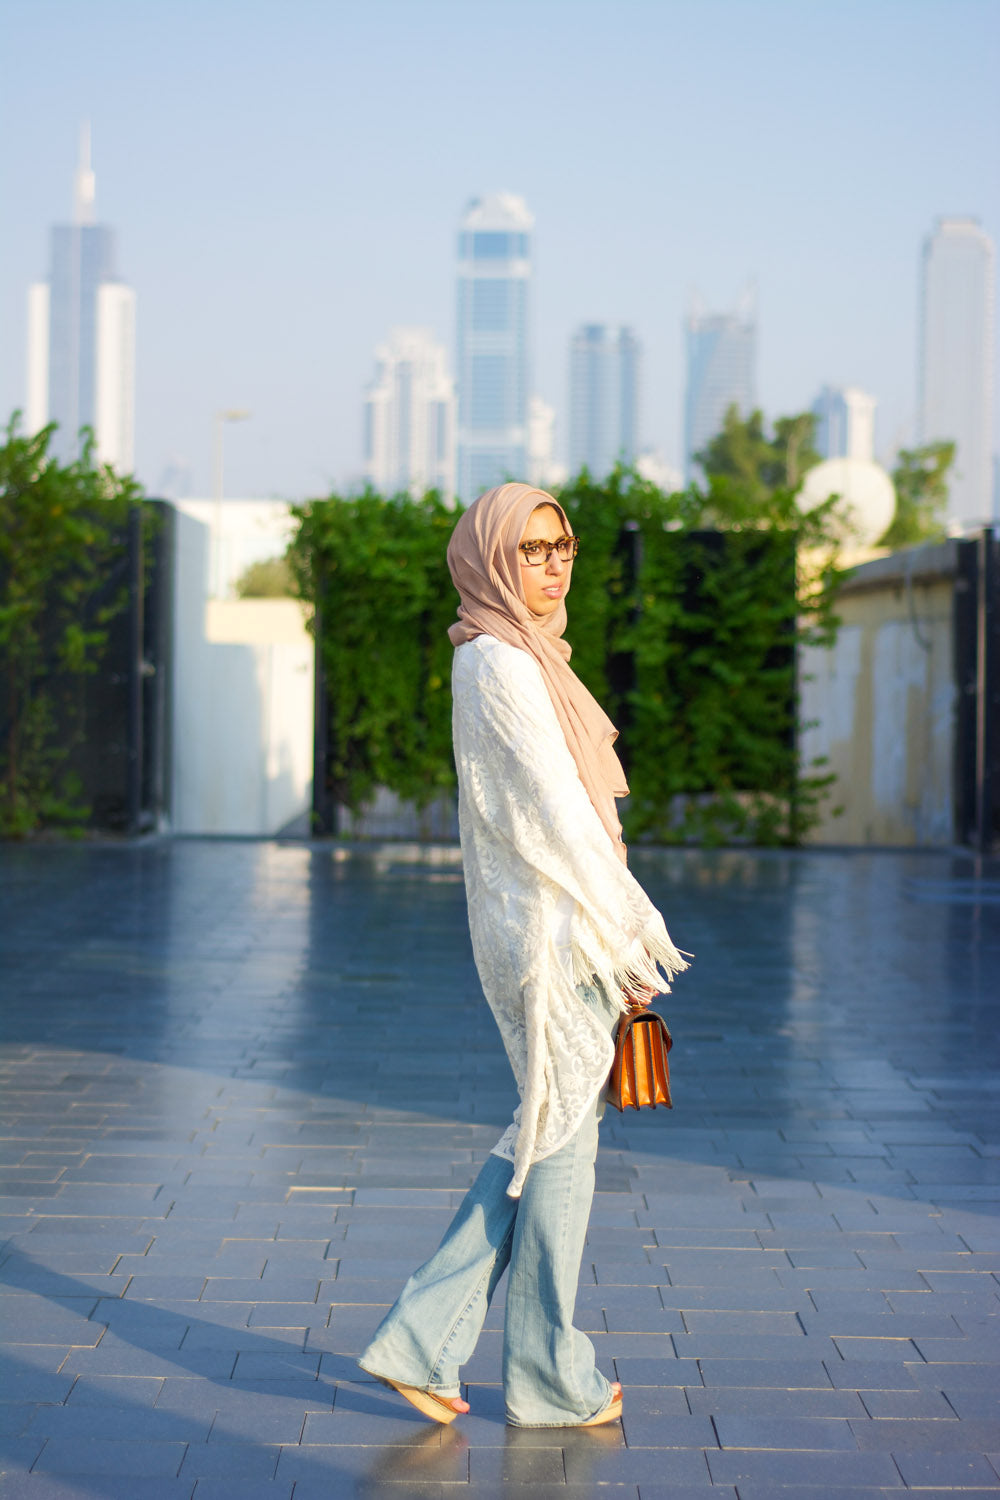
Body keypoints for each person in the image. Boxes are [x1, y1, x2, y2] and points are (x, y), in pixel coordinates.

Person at [357, 482, 688, 1428]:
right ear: (491, 559)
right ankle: (543, 1372)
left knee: (549, 1133)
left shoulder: (525, 655)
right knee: (560, 1148)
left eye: (562, 546)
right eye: (531, 549)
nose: (552, 565)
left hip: (555, 926)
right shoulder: (500, 663)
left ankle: (425, 1341)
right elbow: (557, 814)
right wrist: (633, 926)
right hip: (550, 938)